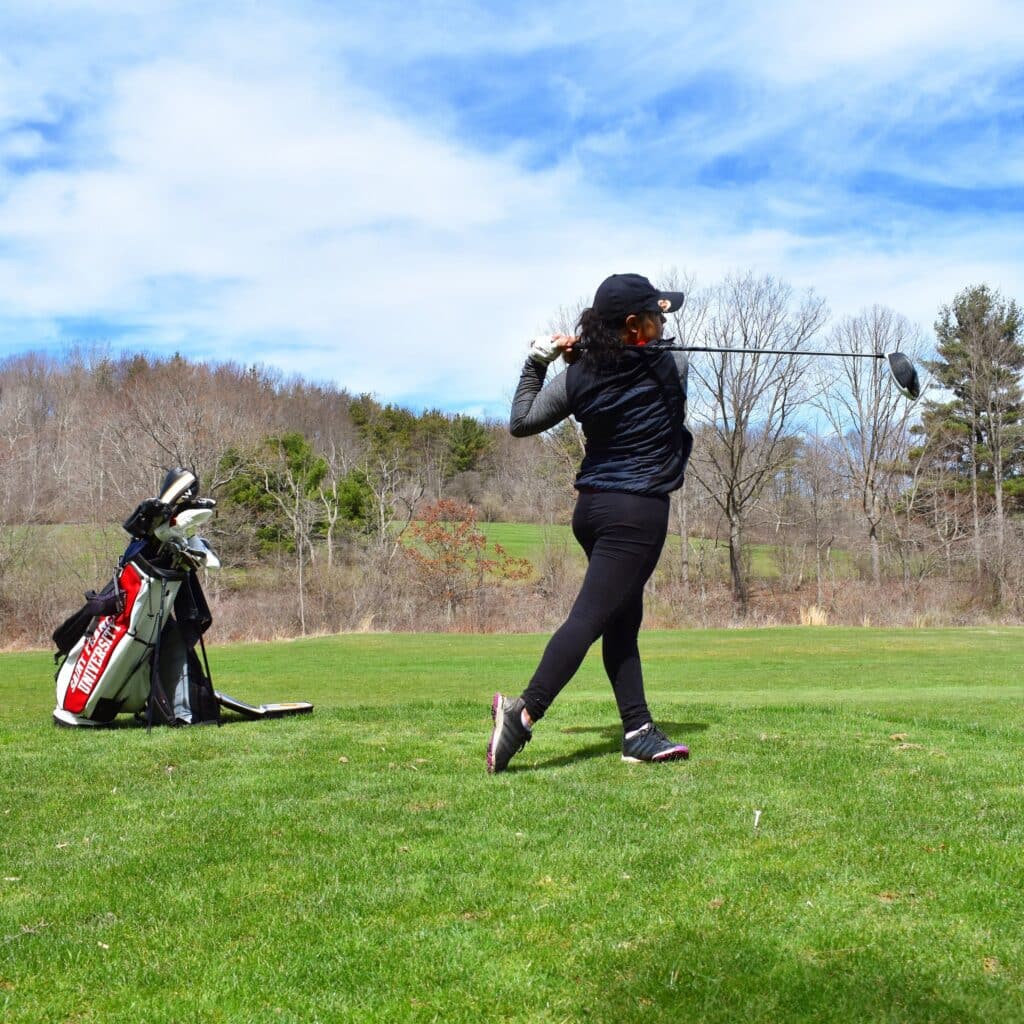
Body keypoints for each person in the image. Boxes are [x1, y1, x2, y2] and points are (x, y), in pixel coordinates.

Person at [487, 272, 695, 773]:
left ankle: (638, 730)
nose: (663, 324)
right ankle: (523, 712)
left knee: (623, 622)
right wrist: (603, 351)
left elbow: (522, 421)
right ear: (633, 325)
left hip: (593, 511)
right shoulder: (669, 365)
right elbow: (669, 357)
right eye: (656, 316)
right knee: (591, 620)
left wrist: (541, 361)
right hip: (636, 514)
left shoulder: (576, 377)